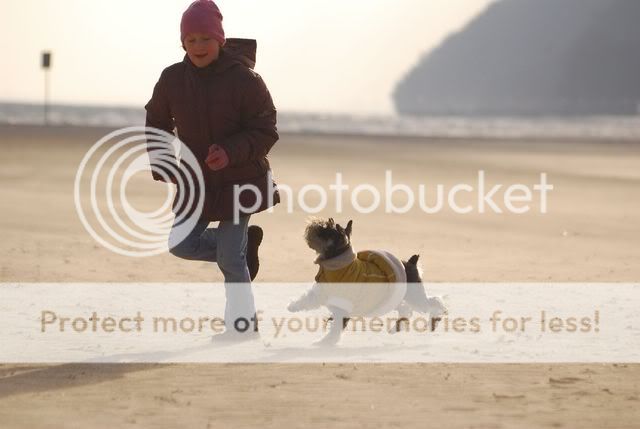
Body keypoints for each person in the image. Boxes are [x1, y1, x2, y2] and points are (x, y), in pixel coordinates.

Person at [144, 0, 279, 341]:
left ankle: (242, 327)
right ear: (183, 43)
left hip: (240, 181)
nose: (198, 46)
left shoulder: (246, 80)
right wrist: (164, 161)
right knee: (180, 244)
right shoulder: (172, 79)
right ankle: (242, 246)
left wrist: (230, 152)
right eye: (191, 40)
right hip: (198, 183)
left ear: (220, 39)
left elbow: (265, 130)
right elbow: (157, 123)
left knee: (231, 261)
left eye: (206, 38)